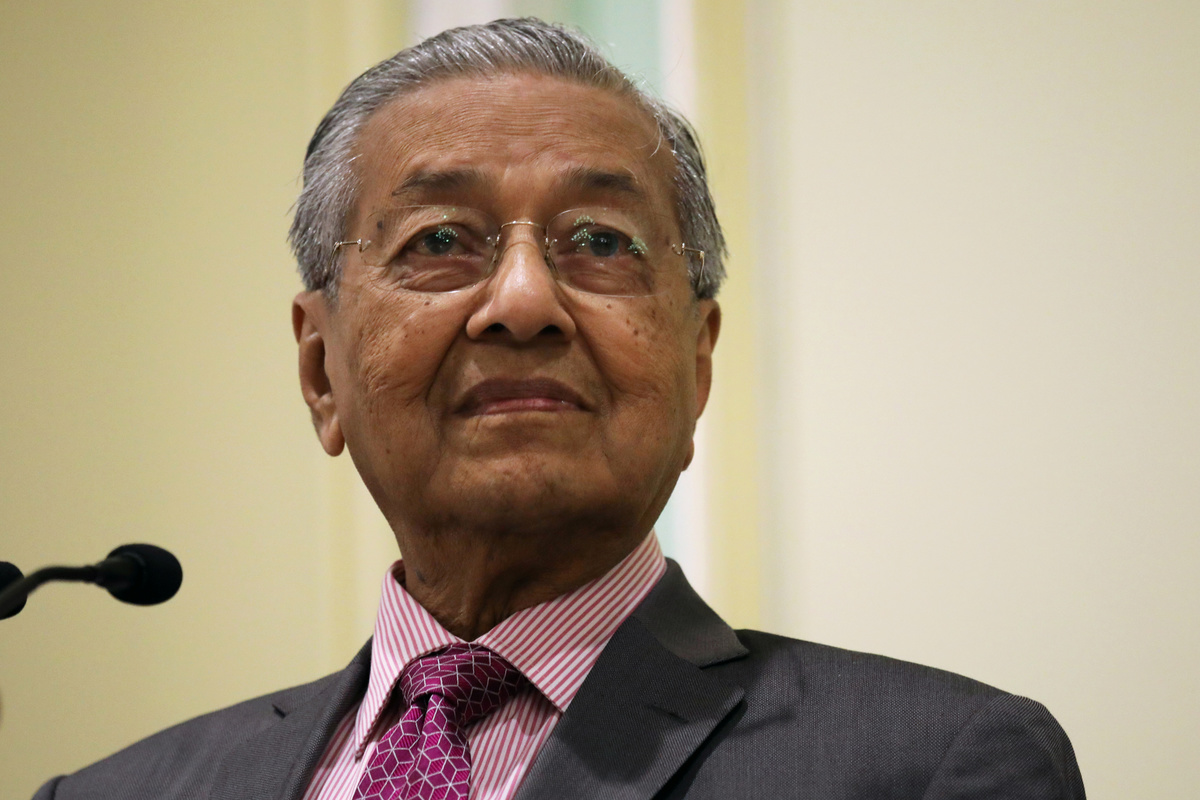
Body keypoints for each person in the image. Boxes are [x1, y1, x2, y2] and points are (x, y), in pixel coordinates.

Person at [34, 18, 1085, 800]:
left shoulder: (930, 764)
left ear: (697, 364)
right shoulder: (111, 793)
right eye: (441, 241)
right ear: (320, 371)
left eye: (601, 242)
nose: (525, 300)